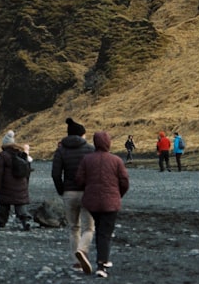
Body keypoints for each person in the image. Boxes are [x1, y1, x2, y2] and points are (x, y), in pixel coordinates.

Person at [75, 131, 130, 278]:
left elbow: (79, 180)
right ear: (109, 143)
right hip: (111, 202)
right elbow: (124, 181)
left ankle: (102, 261)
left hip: (92, 202)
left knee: (100, 230)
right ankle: (102, 264)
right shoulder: (116, 160)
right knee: (104, 233)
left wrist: (88, 188)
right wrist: (118, 195)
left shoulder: (87, 160)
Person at [52, 118, 96, 274]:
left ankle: (76, 262)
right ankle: (82, 250)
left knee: (73, 228)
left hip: (69, 192)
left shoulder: (61, 150)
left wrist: (61, 190)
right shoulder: (90, 149)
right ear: (81, 135)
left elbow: (55, 174)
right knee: (89, 228)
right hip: (87, 192)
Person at [0, 130, 32, 230]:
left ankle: (1, 223)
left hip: (7, 185)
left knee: (4, 205)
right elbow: (27, 170)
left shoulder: (3, 155)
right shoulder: (20, 154)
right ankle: (25, 221)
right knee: (20, 204)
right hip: (21, 184)